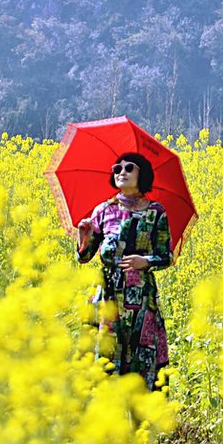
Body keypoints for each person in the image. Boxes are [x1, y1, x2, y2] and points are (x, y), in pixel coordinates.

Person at [76, 152, 171, 391]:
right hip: (108, 297)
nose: (122, 172)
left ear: (142, 175)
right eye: (117, 168)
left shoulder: (156, 212)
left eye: (129, 168)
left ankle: (141, 425)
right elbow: (84, 257)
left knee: (142, 367)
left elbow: (166, 256)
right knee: (106, 363)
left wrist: (145, 261)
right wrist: (83, 239)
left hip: (142, 300)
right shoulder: (104, 211)